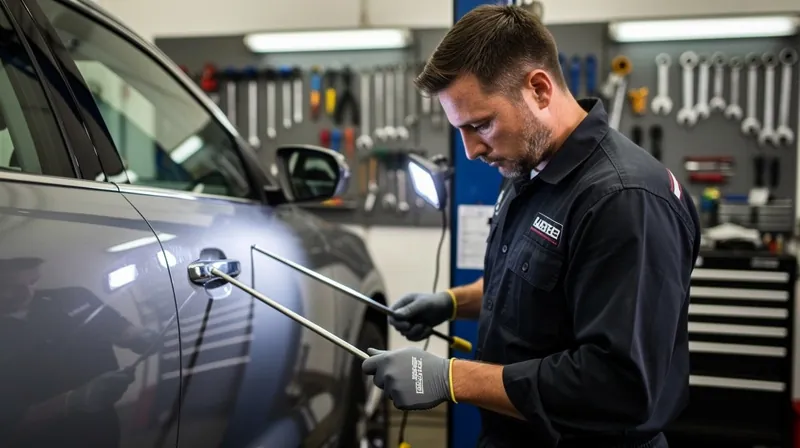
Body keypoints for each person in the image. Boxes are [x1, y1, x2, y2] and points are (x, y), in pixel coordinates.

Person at [361, 5, 701, 448]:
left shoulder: (624, 201)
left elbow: (618, 386)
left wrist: (449, 378)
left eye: (481, 125)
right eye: (460, 130)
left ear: (539, 89)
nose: (470, 151)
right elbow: (535, 284)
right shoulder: (532, 170)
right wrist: (450, 302)